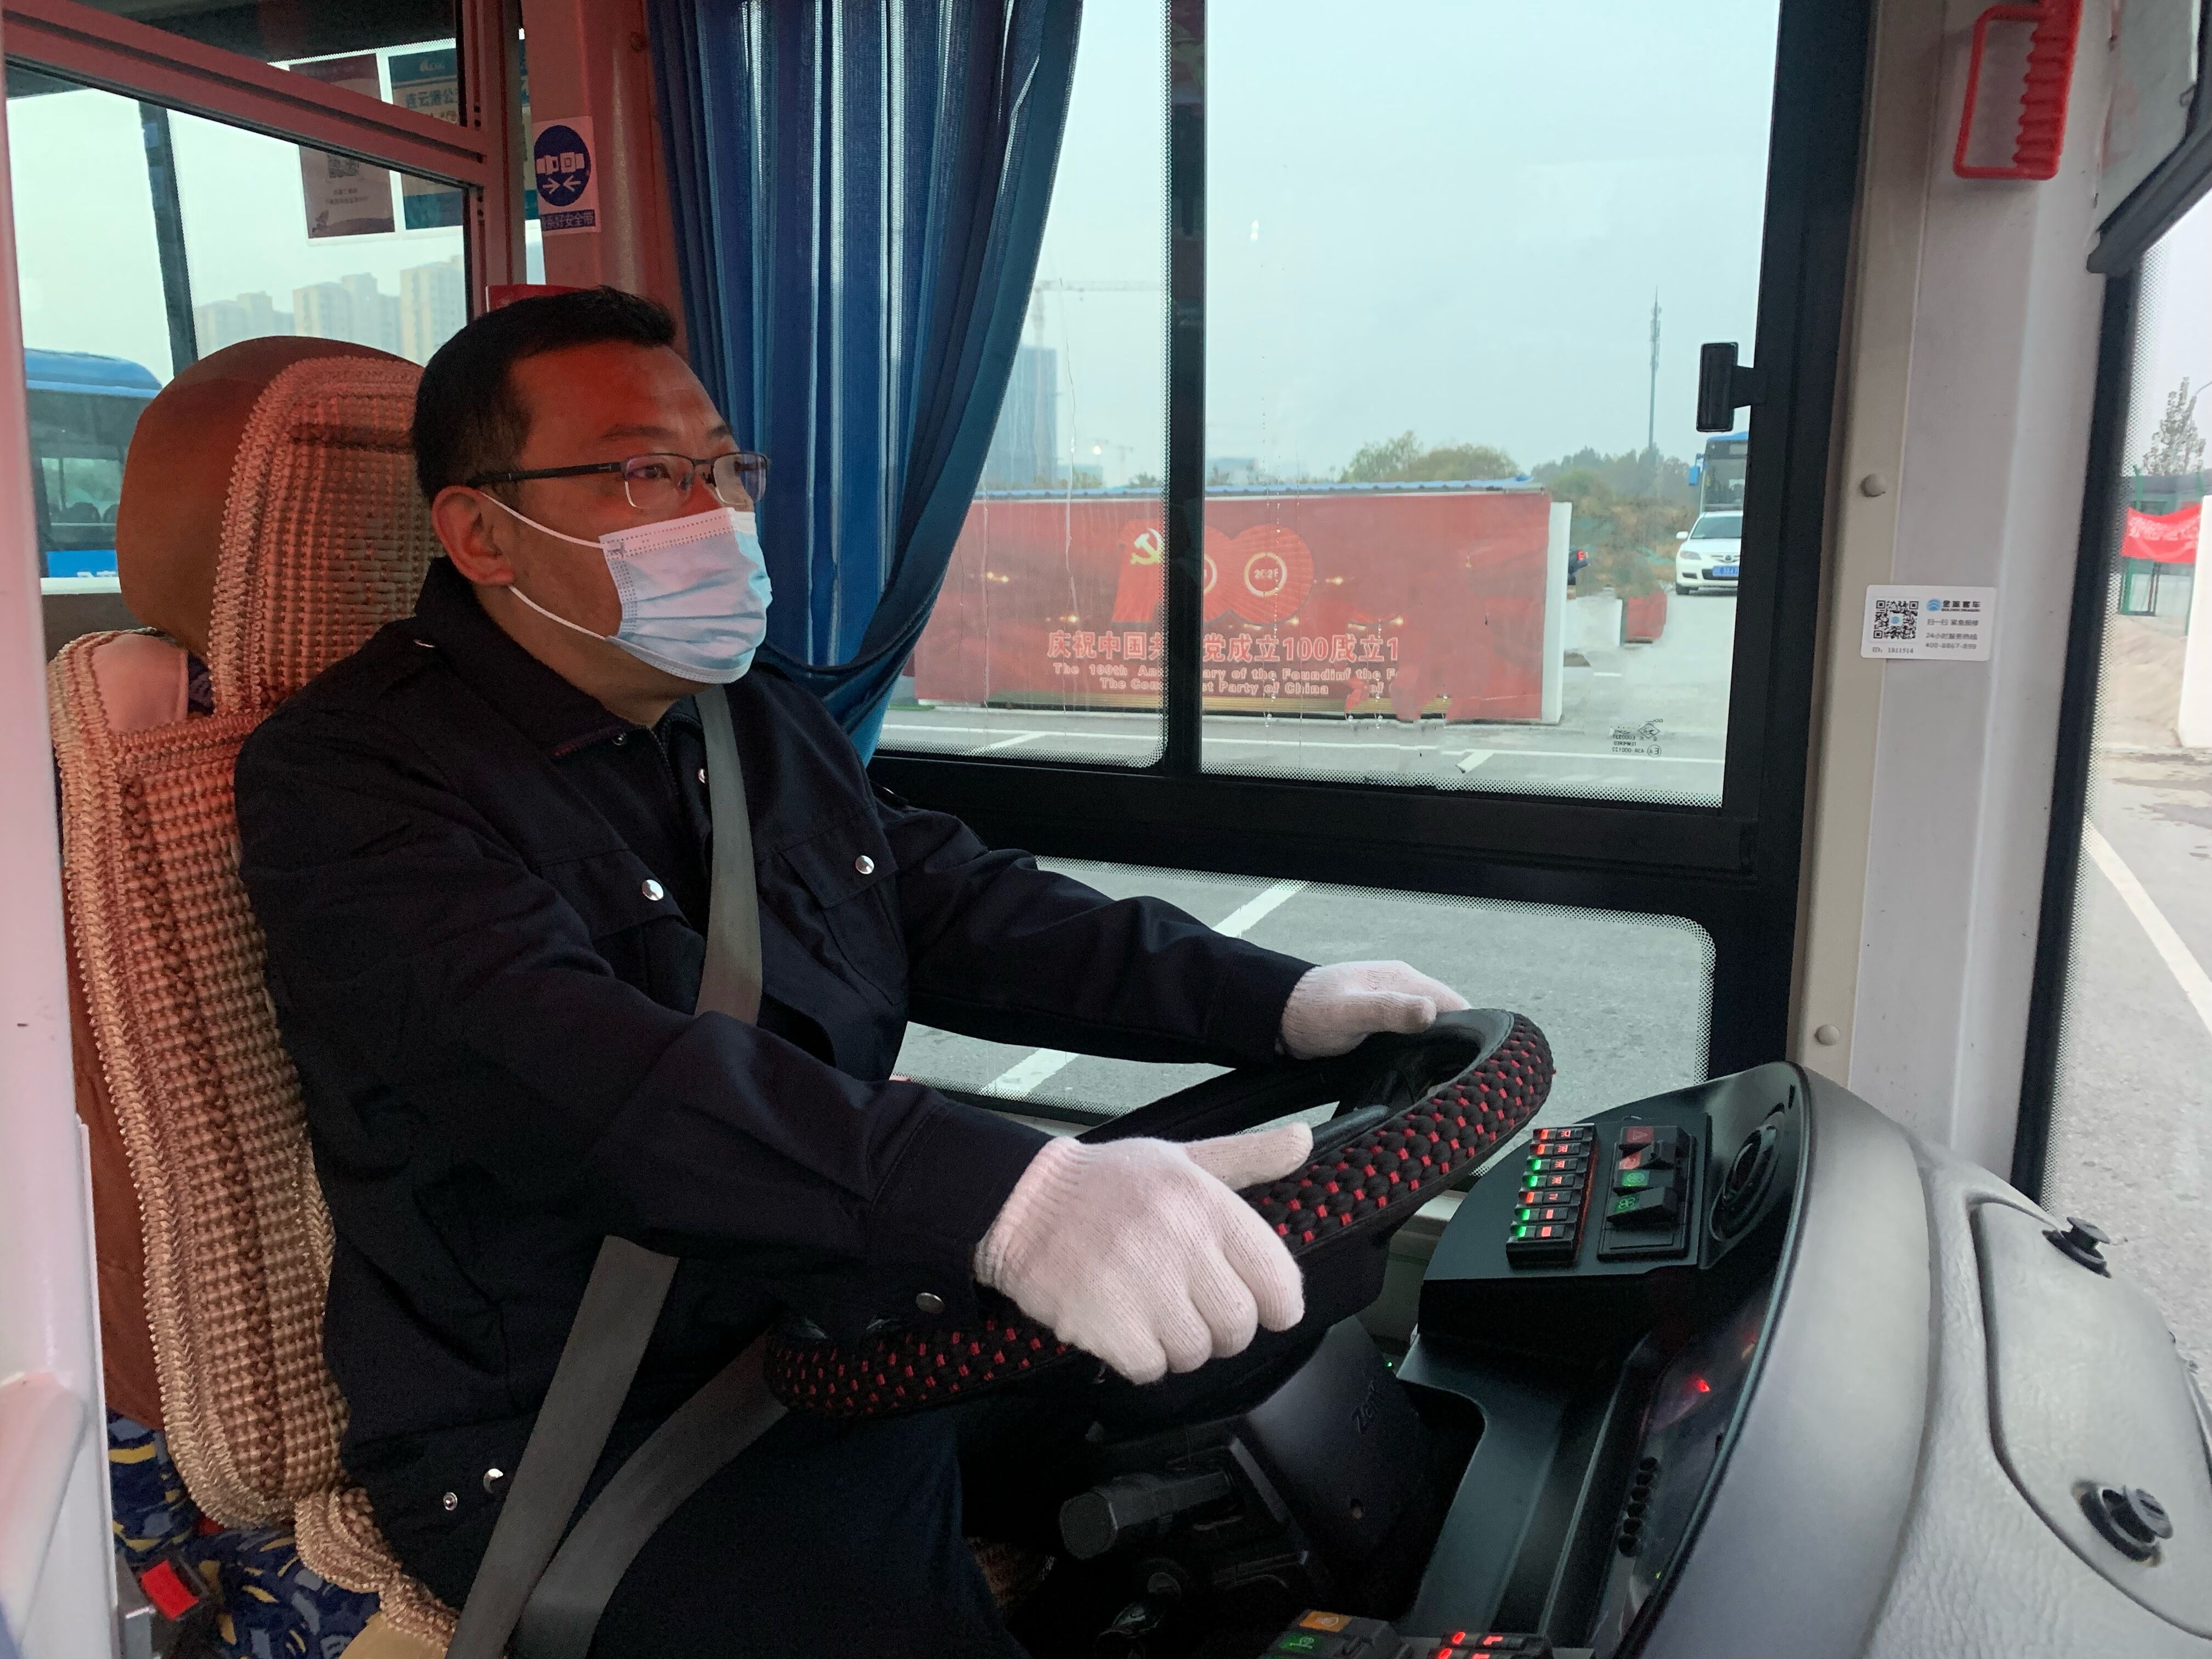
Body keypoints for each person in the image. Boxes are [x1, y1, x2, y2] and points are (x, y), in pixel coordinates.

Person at [233, 287, 1470, 1656]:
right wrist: (1010, 1196)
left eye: (726, 469)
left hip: (849, 1300)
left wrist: (1280, 1002)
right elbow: (586, 1077)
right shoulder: (352, 781)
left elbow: (956, 904)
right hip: (601, 1427)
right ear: (481, 533)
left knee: (1276, 1344)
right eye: (648, 473)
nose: (717, 513)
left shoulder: (750, 713)